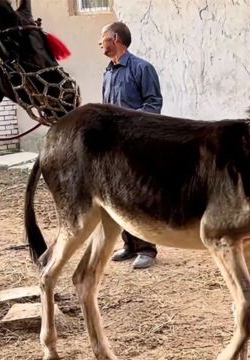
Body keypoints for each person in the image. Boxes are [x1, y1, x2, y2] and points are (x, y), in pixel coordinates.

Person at [100, 21, 163, 269]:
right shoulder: (108, 72)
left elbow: (153, 104)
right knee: (120, 196)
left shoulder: (142, 68)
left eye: (102, 37)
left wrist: (128, 125)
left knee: (140, 196)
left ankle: (147, 248)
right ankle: (130, 244)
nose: (99, 42)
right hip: (114, 146)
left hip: (138, 144)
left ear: (115, 38)